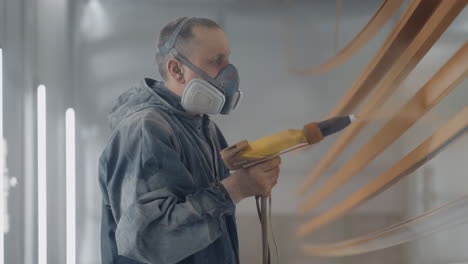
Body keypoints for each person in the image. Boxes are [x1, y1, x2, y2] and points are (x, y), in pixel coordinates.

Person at [99, 17, 281, 264]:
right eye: (216, 61)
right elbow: (149, 240)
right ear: (176, 69)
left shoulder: (205, 129)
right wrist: (236, 188)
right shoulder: (145, 130)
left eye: (227, 58)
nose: (230, 72)